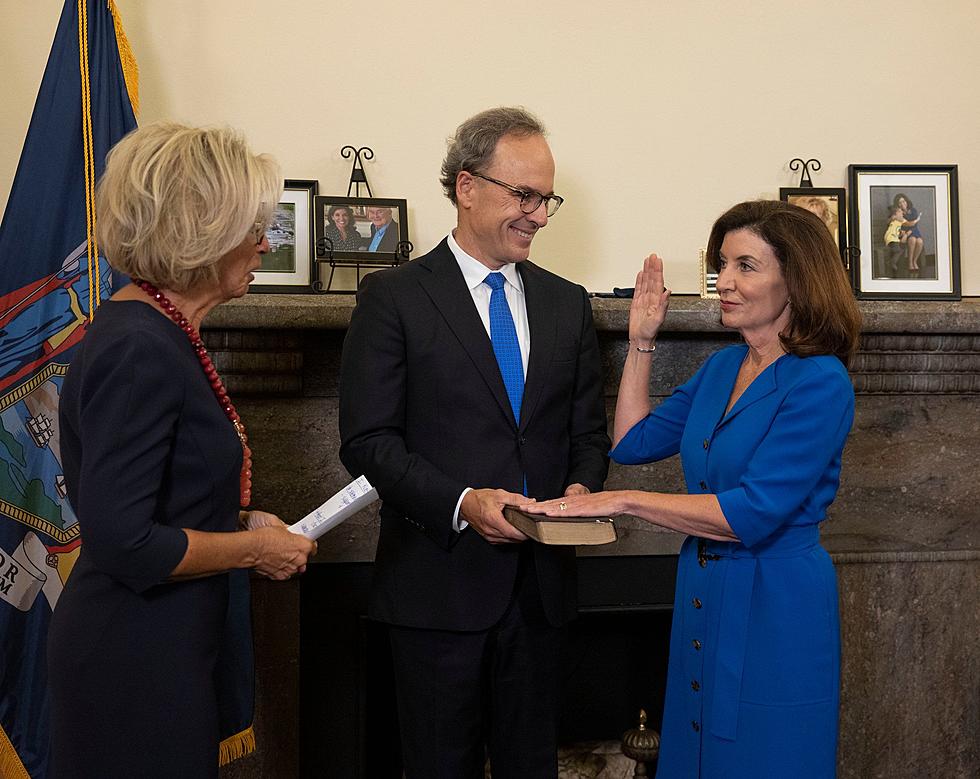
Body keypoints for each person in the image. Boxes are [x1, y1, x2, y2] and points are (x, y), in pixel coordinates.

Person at [522, 200, 862, 778]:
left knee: (765, 756)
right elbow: (630, 442)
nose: (723, 282)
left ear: (797, 278)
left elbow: (751, 513)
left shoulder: (821, 382)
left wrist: (622, 501)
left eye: (745, 266)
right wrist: (640, 341)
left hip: (777, 601)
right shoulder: (723, 367)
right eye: (721, 264)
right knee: (696, 751)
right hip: (705, 583)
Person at [338, 106, 610, 778]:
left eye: (546, 198)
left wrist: (580, 489)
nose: (539, 215)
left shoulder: (567, 302)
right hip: (437, 589)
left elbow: (586, 434)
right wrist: (463, 501)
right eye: (524, 195)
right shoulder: (393, 297)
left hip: (542, 596)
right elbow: (368, 441)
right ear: (466, 186)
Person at [47, 122, 317, 778]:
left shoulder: (161, 329)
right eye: (252, 227)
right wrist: (254, 548)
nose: (264, 242)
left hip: (164, 647)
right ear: (200, 232)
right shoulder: (139, 347)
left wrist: (240, 519)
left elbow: (167, 493)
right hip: (131, 663)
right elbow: (123, 540)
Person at [894, 193, 924, 274]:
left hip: (914, 231)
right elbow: (902, 225)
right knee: (912, 240)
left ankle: (915, 261)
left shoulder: (913, 210)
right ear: (898, 205)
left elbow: (915, 224)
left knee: (920, 241)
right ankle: (910, 262)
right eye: (900, 202)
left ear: (906, 201)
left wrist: (908, 233)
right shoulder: (899, 213)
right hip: (904, 232)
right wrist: (906, 234)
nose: (902, 204)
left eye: (903, 201)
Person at [883, 203, 907, 278]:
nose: (902, 213)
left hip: (894, 238)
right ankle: (892, 262)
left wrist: (901, 234)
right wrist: (892, 218)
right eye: (900, 211)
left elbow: (897, 231)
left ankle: (893, 263)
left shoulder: (898, 222)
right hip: (891, 239)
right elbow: (889, 223)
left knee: (901, 249)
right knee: (898, 250)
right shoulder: (893, 220)